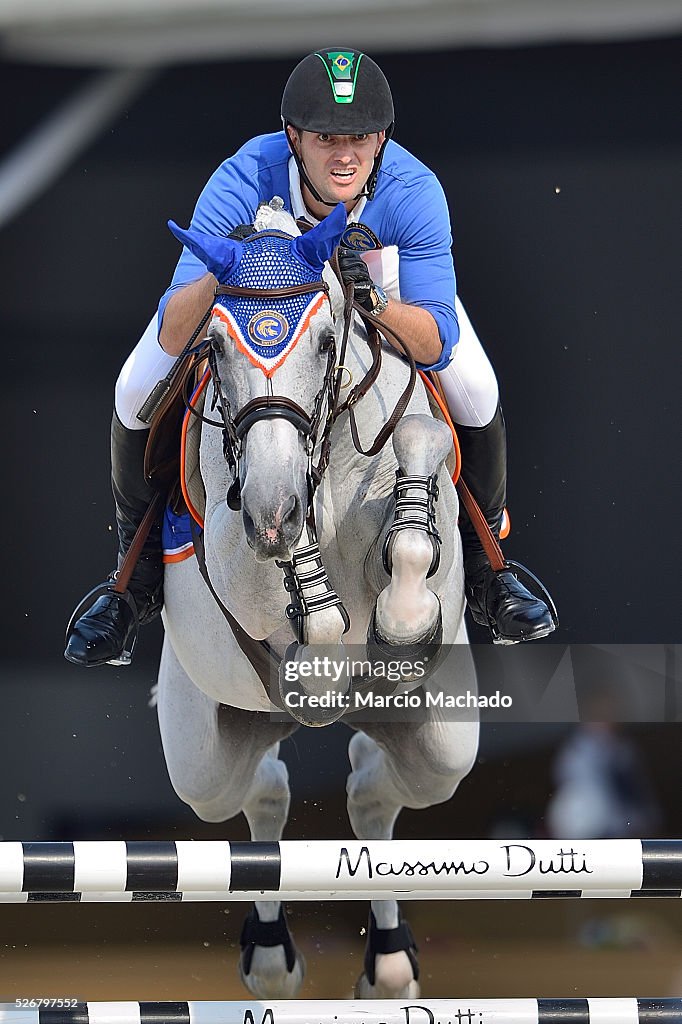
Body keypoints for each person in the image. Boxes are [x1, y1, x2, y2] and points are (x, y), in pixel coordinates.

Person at [64, 47, 555, 668]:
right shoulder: (244, 176)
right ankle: (132, 586)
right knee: (134, 389)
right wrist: (224, 274)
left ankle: (489, 572)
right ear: (293, 137)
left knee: (477, 390)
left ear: (382, 137)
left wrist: (371, 299)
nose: (345, 155)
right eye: (326, 138)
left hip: (383, 297)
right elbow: (172, 329)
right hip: (260, 300)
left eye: (361, 137)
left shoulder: (413, 190)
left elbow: (436, 339)